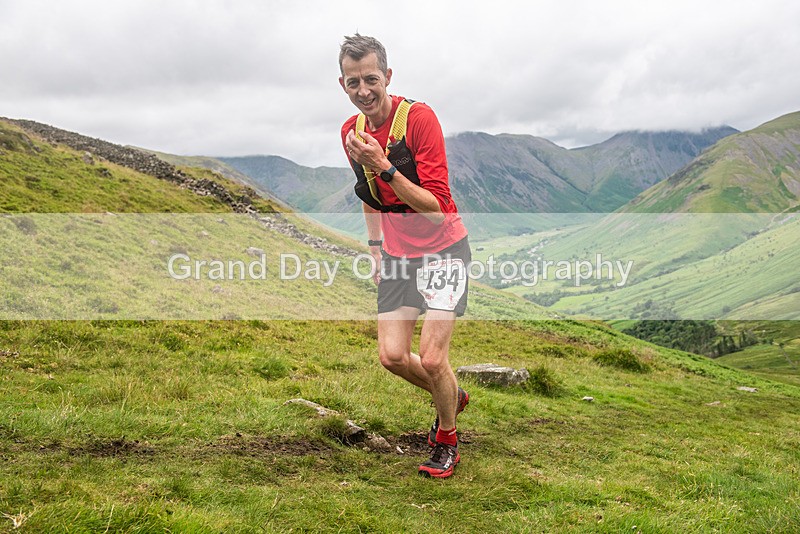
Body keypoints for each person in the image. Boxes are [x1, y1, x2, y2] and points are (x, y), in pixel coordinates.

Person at [338, 33, 471, 478]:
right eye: (353, 82)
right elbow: (370, 195)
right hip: (397, 256)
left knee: (433, 359)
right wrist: (375, 249)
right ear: (343, 84)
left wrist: (386, 166)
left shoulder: (419, 120)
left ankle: (447, 439)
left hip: (444, 250)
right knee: (392, 357)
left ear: (388, 76)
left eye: (371, 79)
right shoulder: (350, 133)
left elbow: (436, 210)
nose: (364, 91)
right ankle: (451, 392)